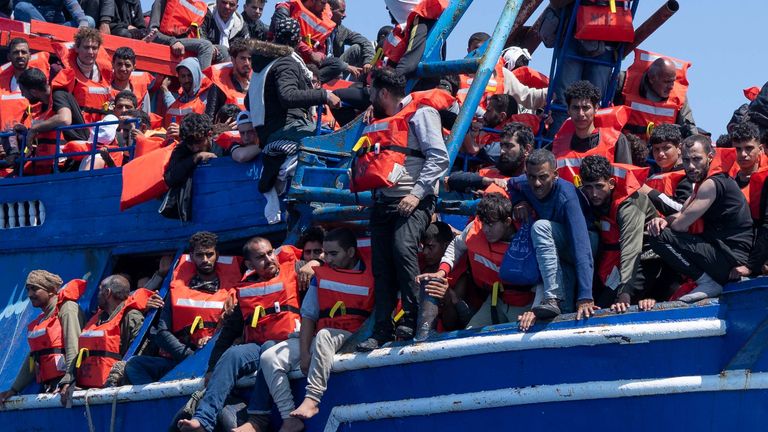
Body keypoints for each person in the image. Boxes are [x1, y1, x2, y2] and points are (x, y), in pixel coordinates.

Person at [354, 68, 453, 351]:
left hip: (415, 200)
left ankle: (411, 317)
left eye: (372, 91)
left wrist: (416, 194)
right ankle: (382, 330)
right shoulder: (377, 118)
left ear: (383, 93)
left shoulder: (421, 113)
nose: (369, 97)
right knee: (382, 266)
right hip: (384, 201)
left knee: (403, 246)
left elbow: (439, 158)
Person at [177, 237, 301, 432]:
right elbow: (228, 334)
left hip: (287, 345)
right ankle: (203, 420)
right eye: (261, 257)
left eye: (271, 253)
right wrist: (211, 369)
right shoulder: (245, 291)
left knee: (269, 351)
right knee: (233, 354)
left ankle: (258, 420)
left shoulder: (294, 272)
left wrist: (313, 263)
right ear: (250, 264)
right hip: (256, 346)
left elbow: (320, 263)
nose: (269, 259)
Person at [255, 228, 373, 431]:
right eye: (325, 254)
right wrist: (303, 354)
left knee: (324, 337)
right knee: (269, 357)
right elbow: (308, 316)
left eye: (333, 254)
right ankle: (289, 418)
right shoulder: (321, 276)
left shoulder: (373, 273)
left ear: (351, 253)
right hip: (322, 334)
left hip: (352, 335)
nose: (327, 259)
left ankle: (312, 398)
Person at [125, 232, 241, 385]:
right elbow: (162, 331)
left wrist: (209, 348)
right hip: (182, 357)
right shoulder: (176, 290)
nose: (205, 260)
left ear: (217, 255)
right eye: (200, 255)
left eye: (209, 254)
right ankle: (160, 403)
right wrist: (188, 356)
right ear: (192, 256)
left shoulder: (233, 290)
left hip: (215, 358)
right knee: (134, 365)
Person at [647, 135, 754, 302]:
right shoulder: (704, 182)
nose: (690, 166)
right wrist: (664, 220)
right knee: (660, 227)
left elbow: (681, 225)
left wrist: (666, 223)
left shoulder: (711, 184)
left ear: (710, 157)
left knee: (658, 236)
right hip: (720, 250)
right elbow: (683, 211)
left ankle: (707, 282)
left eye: (697, 159)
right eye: (686, 160)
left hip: (731, 259)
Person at [248, 19, 340, 195]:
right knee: (333, 140)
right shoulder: (285, 62)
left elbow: (248, 102)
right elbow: (288, 96)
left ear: (273, 36)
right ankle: (294, 177)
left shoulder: (263, 65)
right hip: (284, 128)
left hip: (267, 130)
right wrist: (324, 95)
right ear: (299, 40)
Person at [511, 149, 598, 331]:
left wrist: (585, 296)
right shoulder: (524, 183)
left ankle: (551, 296)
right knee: (561, 312)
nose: (537, 183)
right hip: (557, 246)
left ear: (555, 175)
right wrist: (519, 201)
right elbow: (511, 184)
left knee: (540, 227)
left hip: (586, 242)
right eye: (532, 177)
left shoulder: (567, 196)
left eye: (543, 177)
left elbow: (581, 246)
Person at [419, 193, 535, 329]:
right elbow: (456, 246)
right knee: (470, 334)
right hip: (495, 299)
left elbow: (542, 279)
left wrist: (535, 310)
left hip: (525, 304)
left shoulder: (529, 240)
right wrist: (441, 272)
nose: (485, 229)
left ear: (507, 222)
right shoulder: (475, 229)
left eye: (491, 224)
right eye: (483, 223)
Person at [578, 155, 658, 311]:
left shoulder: (629, 204)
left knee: (611, 305)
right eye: (588, 187)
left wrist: (625, 292)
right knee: (599, 304)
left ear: (612, 183)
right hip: (611, 260)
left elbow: (631, 248)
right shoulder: (585, 197)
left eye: (599, 186)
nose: (594, 193)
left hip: (644, 258)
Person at [0, 271, 84, 404]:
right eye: (28, 289)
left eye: (34, 289)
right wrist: (14, 390)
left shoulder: (67, 309)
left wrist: (69, 378)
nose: (29, 295)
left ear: (51, 290)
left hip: (65, 384)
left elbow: (73, 344)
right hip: (50, 386)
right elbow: (34, 357)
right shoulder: (41, 320)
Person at [71, 275, 145, 390]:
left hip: (113, 388)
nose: (98, 294)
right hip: (85, 389)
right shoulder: (98, 318)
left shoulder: (131, 317)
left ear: (107, 292)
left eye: (100, 290)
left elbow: (138, 353)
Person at [16, 67, 90, 174]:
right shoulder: (44, 105)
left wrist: (34, 129)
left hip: (73, 161)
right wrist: (26, 131)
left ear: (33, 92)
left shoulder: (58, 94)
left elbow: (64, 119)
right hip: (53, 163)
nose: (23, 95)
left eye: (23, 91)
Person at [615, 49, 697, 139]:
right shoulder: (623, 82)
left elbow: (690, 129)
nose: (671, 86)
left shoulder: (679, 96)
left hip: (662, 149)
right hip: (627, 144)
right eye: (666, 82)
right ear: (652, 79)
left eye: (673, 81)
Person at [551, 80, 632, 165]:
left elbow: (626, 176)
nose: (580, 114)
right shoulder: (558, 144)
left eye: (586, 108)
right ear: (568, 110)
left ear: (596, 108)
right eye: (575, 108)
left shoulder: (616, 141)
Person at [414, 221, 473, 335]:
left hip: (448, 329)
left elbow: (453, 324)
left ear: (446, 246)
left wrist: (447, 298)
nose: (425, 252)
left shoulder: (462, 274)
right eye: (424, 246)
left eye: (431, 247)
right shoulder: (417, 263)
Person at [447, 122, 534, 194]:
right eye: (501, 146)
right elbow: (451, 179)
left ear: (526, 149)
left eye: (508, 146)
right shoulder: (492, 174)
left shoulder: (535, 181)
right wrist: (487, 181)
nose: (502, 151)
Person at [50, 28, 113, 123]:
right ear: (77, 48)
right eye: (86, 47)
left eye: (94, 48)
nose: (90, 52)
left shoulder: (106, 71)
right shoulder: (64, 71)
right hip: (77, 127)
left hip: (100, 127)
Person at [637, 124, 693, 216]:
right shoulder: (651, 176)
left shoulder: (688, 175)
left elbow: (683, 209)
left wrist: (649, 192)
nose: (660, 154)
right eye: (656, 149)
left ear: (679, 148)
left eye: (666, 148)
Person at [463, 94, 539, 158]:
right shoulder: (488, 131)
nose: (484, 115)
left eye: (488, 111)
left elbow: (476, 151)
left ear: (502, 116)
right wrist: (473, 136)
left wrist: (465, 131)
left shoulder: (508, 135)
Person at [148, 0, 216, 69]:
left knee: (222, 51)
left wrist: (212, 47)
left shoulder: (204, 9)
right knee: (206, 46)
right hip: (168, 40)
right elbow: (152, 34)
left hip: (192, 45)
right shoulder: (162, 2)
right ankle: (203, 79)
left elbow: (202, 35)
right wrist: (172, 41)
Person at [0, 38, 50, 131]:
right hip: (7, 138)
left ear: (29, 56)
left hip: (34, 137)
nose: (20, 55)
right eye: (16, 52)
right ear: (9, 57)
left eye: (23, 52)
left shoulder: (40, 79)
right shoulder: (2, 84)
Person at [272, 0, 336, 67]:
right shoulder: (287, 8)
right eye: (323, 3)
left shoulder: (322, 18)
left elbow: (321, 45)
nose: (324, 7)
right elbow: (285, 36)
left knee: (336, 64)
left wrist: (320, 55)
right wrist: (310, 53)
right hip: (285, 55)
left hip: (309, 63)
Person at [164, 113, 217, 189]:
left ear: (209, 134)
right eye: (190, 143)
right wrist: (196, 157)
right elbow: (169, 179)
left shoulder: (222, 148)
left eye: (198, 142)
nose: (195, 148)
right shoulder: (182, 149)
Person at [205, 40, 252, 119]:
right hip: (228, 130)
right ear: (233, 60)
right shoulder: (218, 86)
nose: (247, 63)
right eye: (243, 58)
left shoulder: (257, 83)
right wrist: (220, 128)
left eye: (250, 59)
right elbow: (209, 118)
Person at [327, 0, 374, 76]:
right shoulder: (317, 25)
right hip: (320, 68)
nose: (345, 15)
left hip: (336, 69)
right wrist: (345, 66)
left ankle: (363, 83)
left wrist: (368, 62)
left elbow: (365, 42)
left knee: (357, 48)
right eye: (341, 11)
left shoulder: (342, 30)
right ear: (330, 10)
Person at [163, 58, 212, 127]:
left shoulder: (207, 96)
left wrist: (181, 132)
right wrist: (165, 90)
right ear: (179, 78)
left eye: (190, 75)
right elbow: (175, 107)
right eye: (183, 76)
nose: (186, 80)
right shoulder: (182, 98)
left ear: (196, 76)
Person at [110, 47, 154, 114]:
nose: (123, 68)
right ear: (113, 64)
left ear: (134, 67)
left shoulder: (142, 91)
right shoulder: (103, 89)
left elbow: (145, 119)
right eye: (119, 64)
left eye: (127, 65)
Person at [730, 122, 767, 189]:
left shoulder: (765, 179)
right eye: (738, 149)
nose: (743, 154)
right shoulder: (727, 183)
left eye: (749, 148)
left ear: (760, 149)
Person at [13, 0, 95, 28]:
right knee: (21, 6)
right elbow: (21, 9)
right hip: (35, 28)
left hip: (59, 28)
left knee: (89, 21)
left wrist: (83, 22)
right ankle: (46, 32)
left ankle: (49, 33)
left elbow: (73, 5)